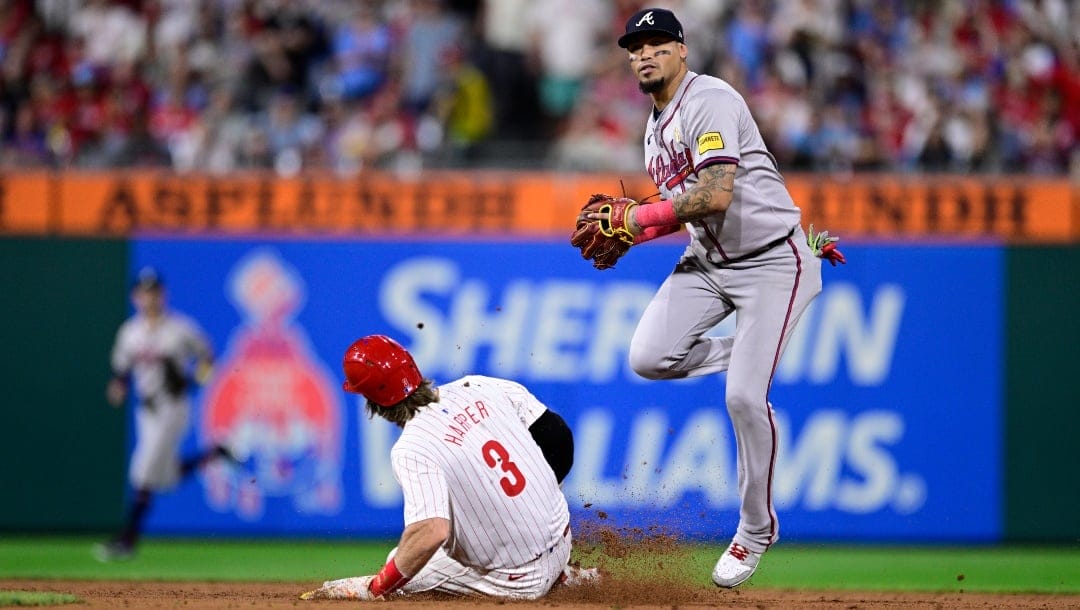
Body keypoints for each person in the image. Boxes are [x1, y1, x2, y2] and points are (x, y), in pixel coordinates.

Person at [590, 8, 846, 589]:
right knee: (649, 357)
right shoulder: (655, 127)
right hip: (709, 263)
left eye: (657, 43)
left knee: (744, 400)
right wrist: (636, 228)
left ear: (683, 51)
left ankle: (756, 529)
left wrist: (641, 215)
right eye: (635, 48)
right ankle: (755, 347)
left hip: (772, 264)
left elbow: (715, 194)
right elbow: (679, 207)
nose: (645, 54)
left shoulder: (711, 100)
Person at [301, 335, 595, 601]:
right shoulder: (477, 385)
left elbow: (431, 532)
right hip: (563, 539)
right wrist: (534, 502)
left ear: (371, 400)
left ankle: (361, 590)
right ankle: (562, 573)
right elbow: (557, 436)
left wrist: (378, 588)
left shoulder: (412, 447)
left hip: (518, 583)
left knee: (403, 563)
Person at [94, 267, 232, 562]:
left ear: (163, 294)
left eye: (154, 291)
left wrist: (196, 380)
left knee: (142, 472)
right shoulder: (130, 332)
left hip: (174, 406)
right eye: (144, 292)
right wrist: (118, 385)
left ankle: (127, 540)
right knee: (166, 479)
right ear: (135, 297)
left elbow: (208, 355)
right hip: (145, 411)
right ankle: (215, 454)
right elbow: (121, 369)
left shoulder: (180, 329)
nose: (150, 297)